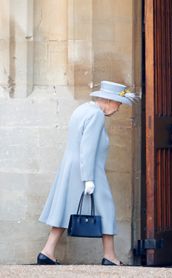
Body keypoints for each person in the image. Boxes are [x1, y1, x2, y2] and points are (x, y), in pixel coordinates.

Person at [37, 80, 137, 266]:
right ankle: (110, 256)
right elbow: (88, 148)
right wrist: (88, 179)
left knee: (65, 207)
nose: (118, 108)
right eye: (118, 103)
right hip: (89, 169)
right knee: (106, 209)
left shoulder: (82, 109)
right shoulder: (96, 115)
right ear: (108, 100)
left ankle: (47, 251)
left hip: (72, 167)